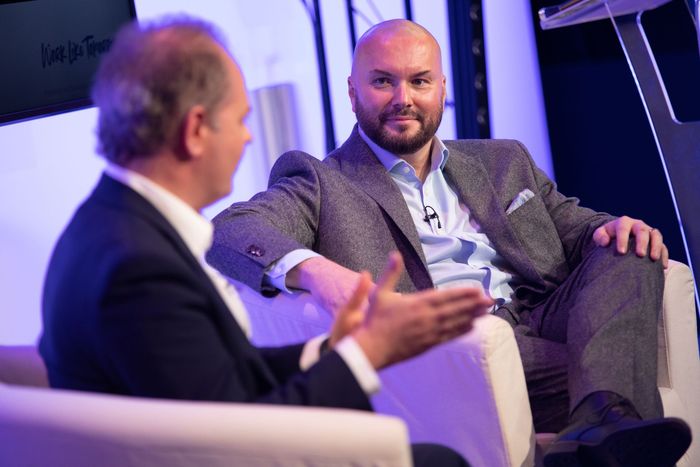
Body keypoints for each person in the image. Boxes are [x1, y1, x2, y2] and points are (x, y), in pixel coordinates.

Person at [207, 19, 692, 467]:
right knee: (619, 368)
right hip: (461, 339)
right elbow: (231, 228)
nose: (404, 98)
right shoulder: (318, 179)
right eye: (382, 82)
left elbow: (575, 225)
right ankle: (607, 412)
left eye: (419, 81)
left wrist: (613, 227)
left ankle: (597, 423)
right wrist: (321, 273)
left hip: (542, 309)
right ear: (353, 93)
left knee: (628, 247)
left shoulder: (504, 160)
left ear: (441, 88)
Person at [37, 17, 492, 466]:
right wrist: (368, 353)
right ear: (196, 130)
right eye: (240, 119)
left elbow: (224, 377)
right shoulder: (137, 269)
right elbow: (233, 441)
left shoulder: (112, 227)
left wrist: (337, 345)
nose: (248, 136)